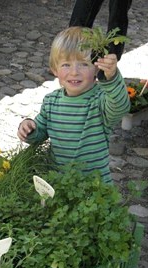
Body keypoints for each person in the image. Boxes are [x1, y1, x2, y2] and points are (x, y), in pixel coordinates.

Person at [17, 27, 130, 183]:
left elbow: (120, 106)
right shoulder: (51, 102)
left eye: (83, 64)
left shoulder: (100, 100)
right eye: (66, 65)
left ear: (97, 67)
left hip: (95, 188)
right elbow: (40, 133)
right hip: (61, 184)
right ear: (54, 69)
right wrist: (29, 129)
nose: (74, 72)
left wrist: (112, 78)